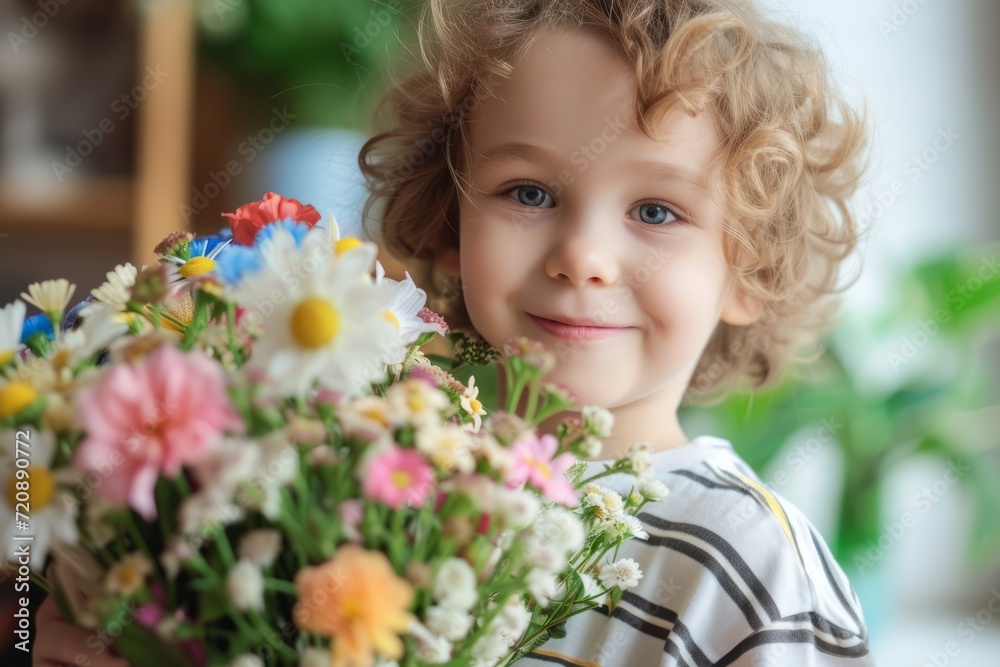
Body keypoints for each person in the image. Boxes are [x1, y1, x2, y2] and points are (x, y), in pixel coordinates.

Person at [357, 0, 873, 664]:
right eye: (530, 193)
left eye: (655, 211)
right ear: (451, 226)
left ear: (754, 269)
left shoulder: (751, 564)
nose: (582, 256)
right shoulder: (380, 488)